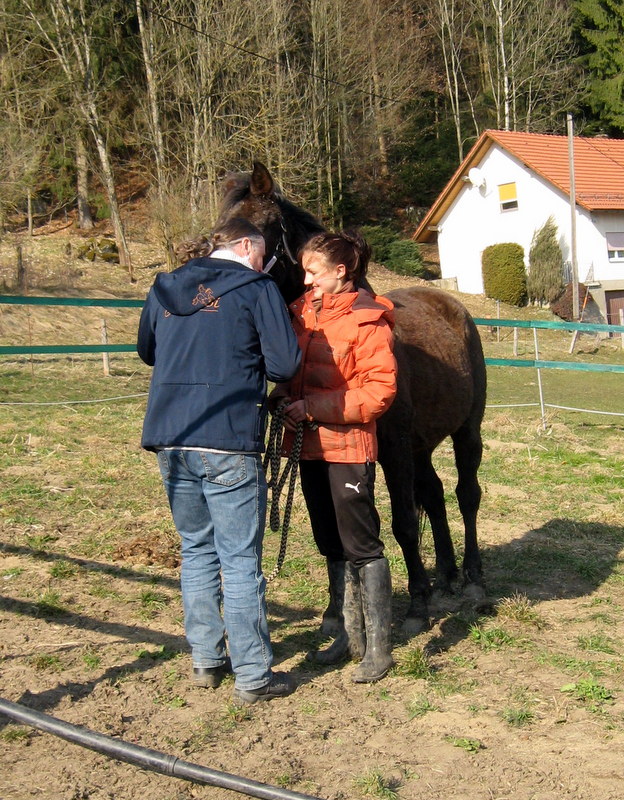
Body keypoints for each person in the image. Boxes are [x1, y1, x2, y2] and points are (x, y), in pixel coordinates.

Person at [137, 217, 301, 704]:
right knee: (240, 559)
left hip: (172, 436)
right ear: (246, 245)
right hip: (228, 437)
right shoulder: (257, 288)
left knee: (196, 551)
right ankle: (253, 676)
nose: (264, 263)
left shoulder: (165, 287)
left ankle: (206, 659)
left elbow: (147, 351)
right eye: (263, 254)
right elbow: (285, 364)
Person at [270, 230, 397, 683]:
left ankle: (379, 648)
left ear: (341, 271)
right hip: (308, 446)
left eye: (314, 272)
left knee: (361, 545)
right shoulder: (301, 313)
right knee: (330, 542)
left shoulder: (368, 320)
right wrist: (282, 398)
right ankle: (349, 633)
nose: (306, 280)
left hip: (348, 447)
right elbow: (290, 372)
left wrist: (313, 408)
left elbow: (379, 391)